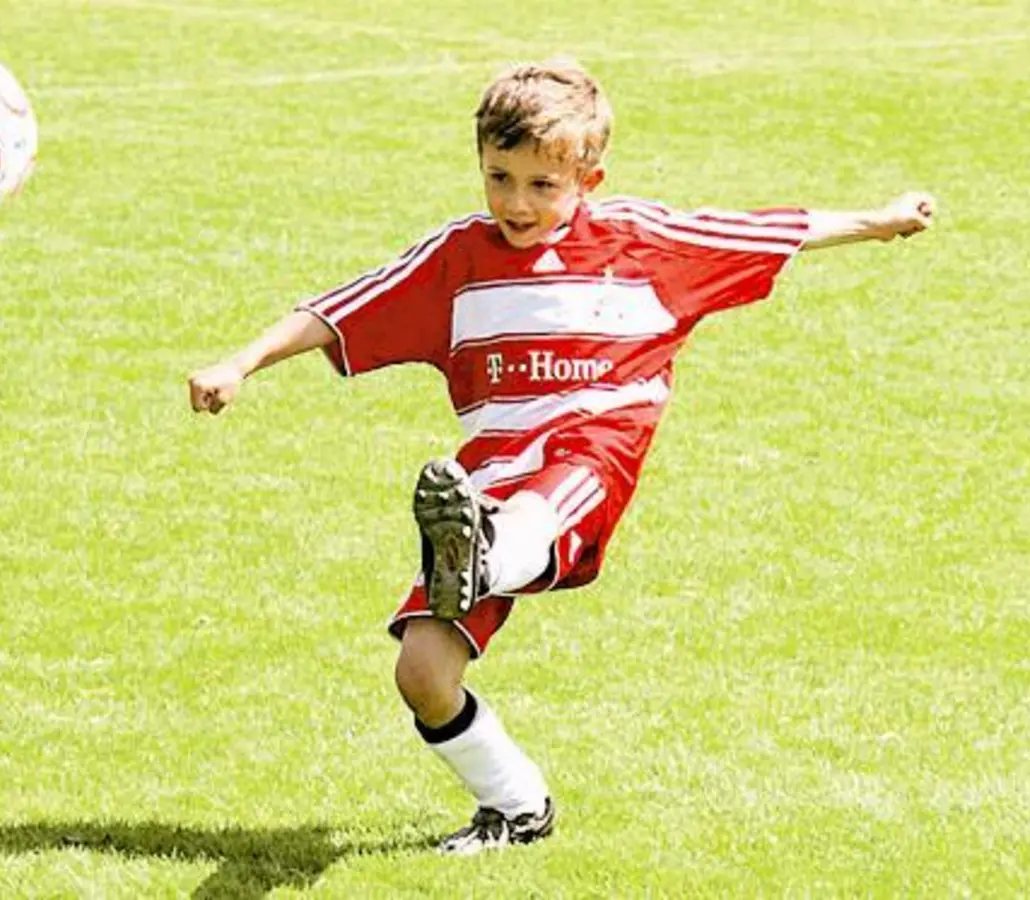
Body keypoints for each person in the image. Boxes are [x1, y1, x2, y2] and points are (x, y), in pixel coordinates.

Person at [187, 59, 936, 855]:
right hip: (482, 484)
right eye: (498, 177)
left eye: (542, 185)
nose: (515, 202)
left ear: (589, 177)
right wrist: (239, 363)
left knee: (542, 506)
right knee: (423, 674)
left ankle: (485, 553)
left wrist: (880, 220)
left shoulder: (645, 241)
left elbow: (772, 227)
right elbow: (338, 312)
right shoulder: (457, 260)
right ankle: (516, 806)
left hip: (589, 458)